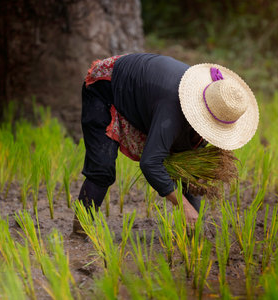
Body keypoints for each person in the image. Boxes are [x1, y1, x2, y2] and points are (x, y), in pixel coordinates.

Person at [73, 53, 258, 235]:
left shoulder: (216, 101)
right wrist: (183, 205)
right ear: (202, 113)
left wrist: (196, 179)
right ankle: (81, 228)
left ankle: (190, 235)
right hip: (106, 87)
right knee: (102, 168)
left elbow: (188, 159)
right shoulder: (174, 107)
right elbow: (150, 163)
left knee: (187, 168)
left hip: (149, 92)